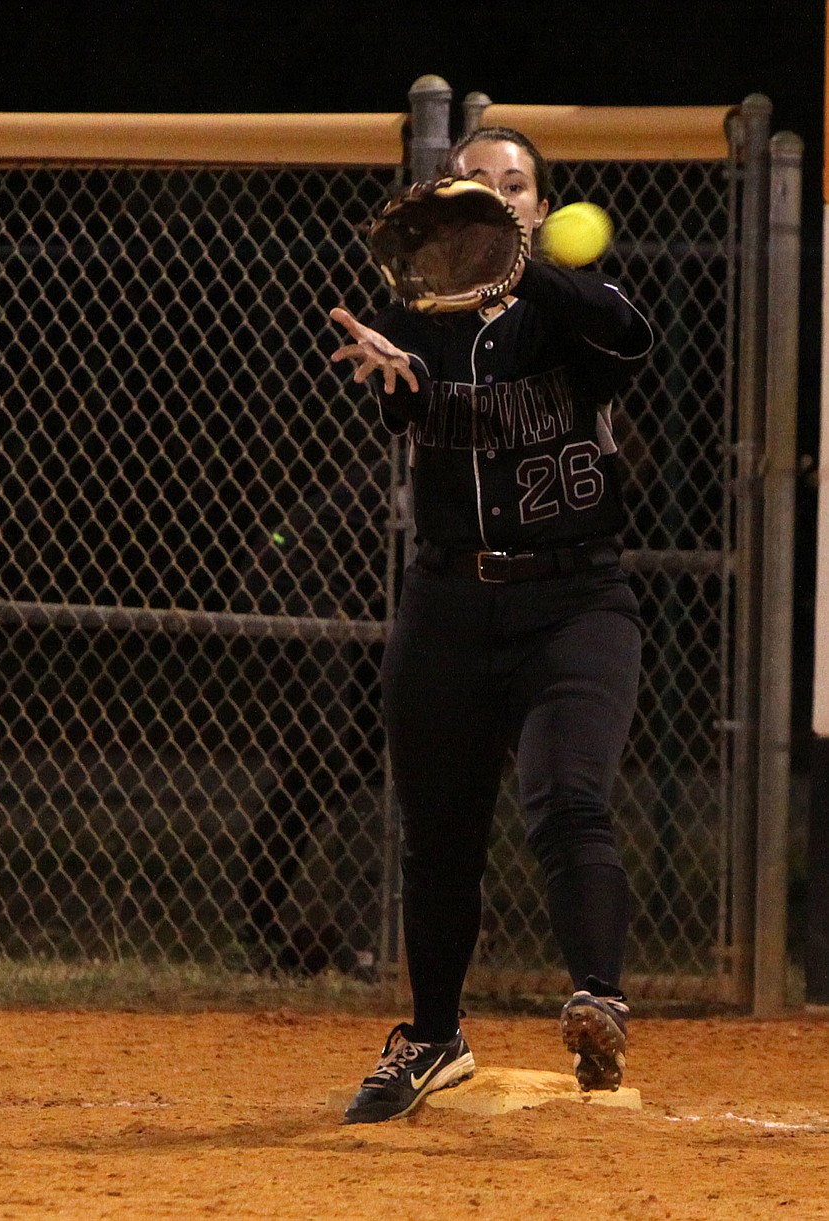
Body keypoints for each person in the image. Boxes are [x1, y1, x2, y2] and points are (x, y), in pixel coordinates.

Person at [329, 126, 654, 1124]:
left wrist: (530, 264)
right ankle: (431, 1039)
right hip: (449, 605)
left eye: (516, 186)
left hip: (575, 604)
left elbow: (628, 340)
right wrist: (392, 370)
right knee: (439, 838)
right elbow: (399, 386)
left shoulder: (573, 305)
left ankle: (597, 1002)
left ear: (542, 212)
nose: (499, 197)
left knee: (566, 798)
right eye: (479, 184)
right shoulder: (416, 317)